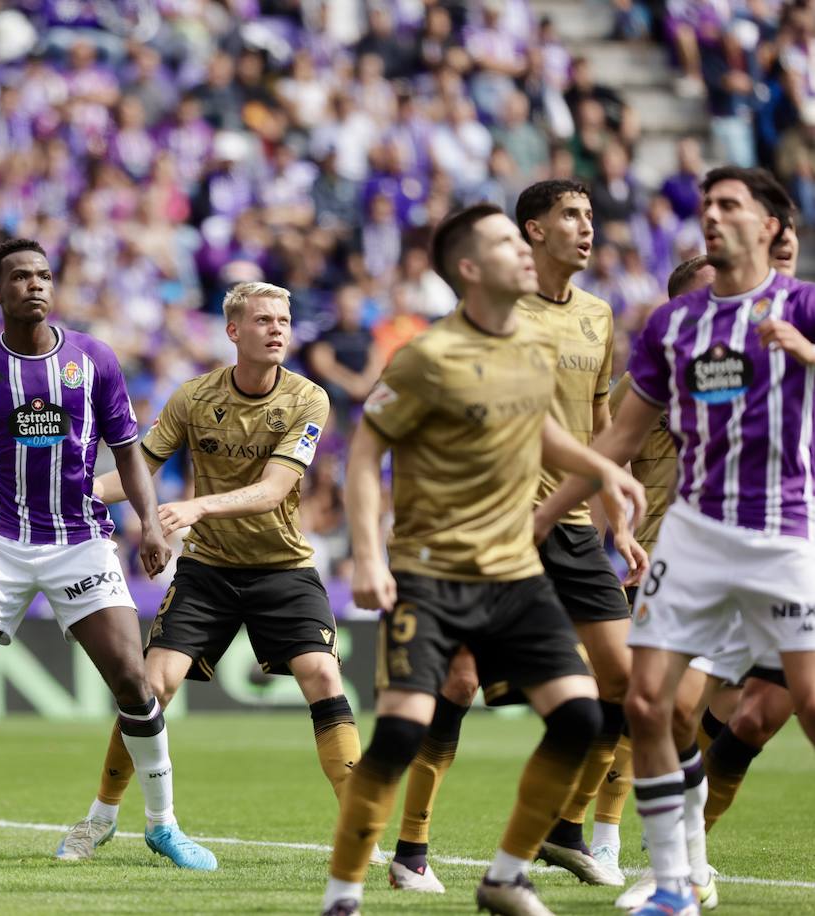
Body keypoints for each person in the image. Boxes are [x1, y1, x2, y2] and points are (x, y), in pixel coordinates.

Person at [320, 204, 645, 916]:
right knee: (404, 729)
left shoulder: (533, 344)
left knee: (581, 716)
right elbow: (367, 451)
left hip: (514, 570)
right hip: (433, 573)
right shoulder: (427, 357)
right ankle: (343, 896)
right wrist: (369, 559)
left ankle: (505, 874)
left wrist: (607, 473)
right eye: (505, 241)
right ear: (470, 268)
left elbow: (546, 434)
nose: (521, 250)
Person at [0, 239, 214, 874]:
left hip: (81, 539)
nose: (35, 285)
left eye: (44, 275)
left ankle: (163, 826)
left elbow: (129, 450)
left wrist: (149, 524)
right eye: (20, 276)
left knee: (134, 682)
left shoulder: (94, 359)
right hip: (1, 539)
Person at [542, 166, 815, 916]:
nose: (713, 216)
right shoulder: (672, 326)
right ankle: (675, 884)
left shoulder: (807, 307)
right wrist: (540, 518)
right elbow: (618, 442)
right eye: (707, 206)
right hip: (692, 535)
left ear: (769, 228)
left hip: (785, 529)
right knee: (652, 702)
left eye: (731, 205)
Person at [56, 281, 368, 862]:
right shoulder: (193, 397)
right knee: (150, 687)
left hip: (284, 567)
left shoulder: (309, 399)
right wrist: (73, 496)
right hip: (209, 570)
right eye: (263, 320)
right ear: (233, 332)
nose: (277, 328)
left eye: (284, 319)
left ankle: (358, 828)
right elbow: (140, 469)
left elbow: (276, 488)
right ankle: (99, 817)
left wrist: (195, 507)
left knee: (324, 678)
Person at [608, 220, 802, 911]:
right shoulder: (682, 370)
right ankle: (684, 869)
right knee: (672, 708)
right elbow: (613, 447)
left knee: (756, 722)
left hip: (791, 555)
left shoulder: (791, 349)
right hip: (699, 559)